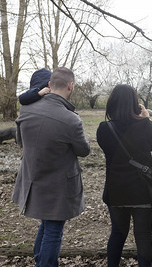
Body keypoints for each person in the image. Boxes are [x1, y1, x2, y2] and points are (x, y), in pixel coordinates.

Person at [12, 67, 90, 267]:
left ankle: (40, 260)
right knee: (54, 230)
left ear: (49, 84)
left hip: (34, 180)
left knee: (47, 225)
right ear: (70, 86)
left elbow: (21, 141)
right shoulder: (71, 120)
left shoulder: (27, 109)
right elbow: (84, 150)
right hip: (59, 187)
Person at [96, 84, 152, 267]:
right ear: (135, 104)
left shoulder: (104, 129)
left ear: (112, 103)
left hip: (116, 191)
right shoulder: (143, 126)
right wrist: (146, 120)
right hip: (142, 189)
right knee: (143, 236)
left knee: (117, 233)